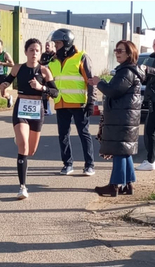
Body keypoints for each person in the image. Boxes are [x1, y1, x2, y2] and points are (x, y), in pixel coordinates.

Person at [88, 40, 155, 197]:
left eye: (121, 50)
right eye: (116, 50)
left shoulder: (126, 72)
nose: (117, 53)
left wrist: (100, 83)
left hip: (122, 117)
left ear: (129, 53)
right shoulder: (128, 70)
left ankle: (115, 185)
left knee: (119, 151)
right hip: (124, 116)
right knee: (124, 151)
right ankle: (127, 184)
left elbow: (113, 91)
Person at [0, 38, 58, 199]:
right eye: (31, 50)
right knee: (23, 147)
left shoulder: (44, 71)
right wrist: (3, 87)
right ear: (25, 52)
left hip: (37, 110)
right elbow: (7, 81)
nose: (34, 53)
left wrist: (42, 88)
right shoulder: (18, 68)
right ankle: (22, 187)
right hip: (21, 108)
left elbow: (55, 92)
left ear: (41, 53)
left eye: (37, 50)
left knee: (31, 151)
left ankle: (19, 139)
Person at [48, 28, 96, 176]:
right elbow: (47, 80)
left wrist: (91, 102)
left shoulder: (81, 57)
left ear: (67, 42)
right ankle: (67, 164)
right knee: (63, 135)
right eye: (54, 43)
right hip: (61, 102)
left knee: (84, 134)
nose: (55, 46)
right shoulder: (53, 60)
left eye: (58, 43)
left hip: (79, 103)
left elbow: (91, 81)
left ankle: (89, 165)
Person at [136, 37, 155, 171]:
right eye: (154, 44)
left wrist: (147, 69)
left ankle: (150, 161)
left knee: (150, 130)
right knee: (151, 130)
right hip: (152, 100)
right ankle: (152, 160)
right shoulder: (152, 58)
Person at [40, 41, 56, 116]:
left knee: (54, 93)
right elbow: (41, 63)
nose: (46, 47)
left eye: (48, 46)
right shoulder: (43, 55)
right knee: (44, 93)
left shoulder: (55, 55)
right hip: (44, 77)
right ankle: (46, 110)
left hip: (53, 77)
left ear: (53, 46)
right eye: (46, 45)